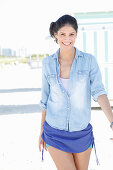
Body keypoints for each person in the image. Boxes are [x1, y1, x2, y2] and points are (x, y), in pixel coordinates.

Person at [38, 14, 113, 170]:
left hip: (81, 132)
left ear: (76, 35)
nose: (67, 38)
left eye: (71, 34)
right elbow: (44, 100)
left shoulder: (89, 61)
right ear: (55, 35)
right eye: (63, 34)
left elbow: (99, 92)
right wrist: (41, 131)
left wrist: (112, 122)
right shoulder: (47, 64)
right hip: (54, 131)